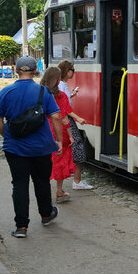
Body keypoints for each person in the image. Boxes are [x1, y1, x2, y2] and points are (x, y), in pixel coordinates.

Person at [0, 56, 62, 238]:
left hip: (15, 148)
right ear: (34, 71)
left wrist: (7, 136)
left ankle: (21, 227)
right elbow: (56, 117)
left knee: (19, 185)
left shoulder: (6, 92)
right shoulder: (43, 92)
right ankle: (46, 215)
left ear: (16, 70)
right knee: (42, 181)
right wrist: (59, 140)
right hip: (42, 147)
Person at [40, 65, 76, 202]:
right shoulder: (60, 96)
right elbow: (64, 117)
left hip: (42, 130)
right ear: (58, 79)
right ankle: (59, 191)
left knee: (44, 161)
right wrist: (70, 135)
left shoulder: (39, 93)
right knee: (60, 160)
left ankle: (43, 191)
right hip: (58, 131)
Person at [58, 59, 93, 190]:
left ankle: (72, 181)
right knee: (78, 148)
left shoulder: (63, 85)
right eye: (72, 70)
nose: (74, 72)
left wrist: (71, 95)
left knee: (70, 149)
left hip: (66, 120)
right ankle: (77, 181)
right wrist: (78, 118)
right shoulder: (61, 85)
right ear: (66, 71)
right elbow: (64, 108)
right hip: (66, 120)